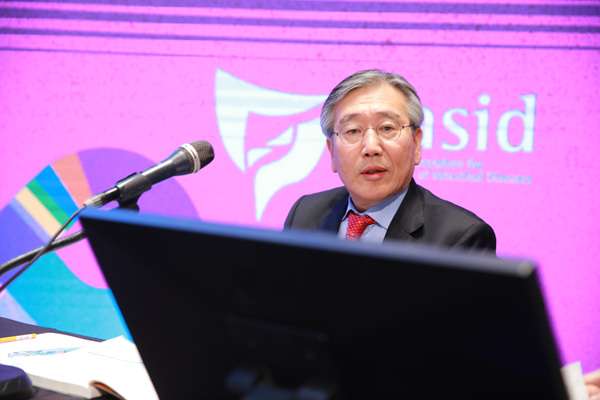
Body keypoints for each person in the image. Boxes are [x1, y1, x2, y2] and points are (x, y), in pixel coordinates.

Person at [284, 69, 496, 253]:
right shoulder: (303, 215)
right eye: (352, 131)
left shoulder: (460, 238)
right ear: (332, 152)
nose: (371, 147)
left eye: (387, 128)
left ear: (416, 143)